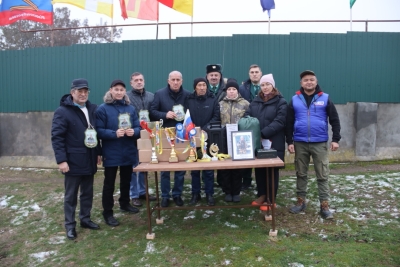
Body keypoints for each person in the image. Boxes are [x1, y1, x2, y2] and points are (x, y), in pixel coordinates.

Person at [51, 78, 102, 240]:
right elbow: (57, 137)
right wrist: (61, 160)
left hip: (89, 158)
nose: (83, 94)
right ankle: (70, 225)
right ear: (72, 92)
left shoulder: (91, 109)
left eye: (85, 91)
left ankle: (85, 219)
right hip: (73, 161)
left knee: (87, 192)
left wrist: (98, 152)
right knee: (71, 195)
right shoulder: (62, 112)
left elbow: (95, 133)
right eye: (79, 91)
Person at [286, 70, 341, 220]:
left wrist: (335, 139)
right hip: (300, 142)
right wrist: (289, 142)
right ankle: (301, 202)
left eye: (311, 80)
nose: (309, 82)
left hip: (320, 143)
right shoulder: (295, 100)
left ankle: (324, 205)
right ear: (301, 83)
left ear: (316, 82)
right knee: (301, 173)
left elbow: (334, 120)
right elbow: (289, 123)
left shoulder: (325, 98)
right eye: (305, 80)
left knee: (322, 175)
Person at [96, 79, 141, 227]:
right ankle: (108, 212)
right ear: (110, 90)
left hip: (128, 151)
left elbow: (138, 128)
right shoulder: (103, 109)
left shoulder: (130, 109)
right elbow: (99, 131)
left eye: (122, 90)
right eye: (116, 89)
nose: (119, 92)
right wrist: (114, 133)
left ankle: (124, 203)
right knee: (109, 183)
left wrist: (133, 131)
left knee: (126, 180)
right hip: (111, 152)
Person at [245, 74, 287, 211]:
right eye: (263, 85)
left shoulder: (280, 102)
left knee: (272, 170)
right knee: (260, 169)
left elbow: (280, 121)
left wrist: (263, 133)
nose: (265, 87)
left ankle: (271, 198)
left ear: (273, 86)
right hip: (258, 142)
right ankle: (262, 195)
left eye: (268, 84)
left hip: (274, 141)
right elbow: (248, 117)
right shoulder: (255, 102)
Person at [149, 71, 190, 207]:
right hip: (165, 135)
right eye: (173, 79)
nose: (175, 82)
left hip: (181, 135)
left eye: (178, 79)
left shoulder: (187, 95)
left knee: (180, 168)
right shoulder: (159, 94)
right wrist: (165, 114)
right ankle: (165, 195)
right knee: (165, 168)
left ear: (182, 81)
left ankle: (177, 194)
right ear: (168, 80)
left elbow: (191, 113)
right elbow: (152, 112)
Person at [184, 77, 220, 206]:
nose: (202, 87)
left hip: (207, 137)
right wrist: (192, 129)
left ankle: (209, 193)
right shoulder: (189, 99)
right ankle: (195, 193)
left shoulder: (212, 99)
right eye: (199, 85)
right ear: (195, 87)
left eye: (204, 85)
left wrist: (205, 129)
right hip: (192, 137)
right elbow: (185, 116)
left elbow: (216, 116)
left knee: (208, 168)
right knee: (194, 168)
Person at [126, 72, 156, 207]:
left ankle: (143, 191)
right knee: (134, 166)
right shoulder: (127, 97)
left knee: (144, 164)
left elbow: (154, 113)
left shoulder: (151, 96)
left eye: (141, 80)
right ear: (131, 83)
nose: (139, 82)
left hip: (148, 135)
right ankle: (134, 194)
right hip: (133, 135)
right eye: (136, 80)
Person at [219, 78, 249, 202]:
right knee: (225, 166)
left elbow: (248, 120)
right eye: (229, 89)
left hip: (239, 139)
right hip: (224, 138)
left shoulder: (245, 104)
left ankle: (236, 191)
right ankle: (227, 191)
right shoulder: (220, 104)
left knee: (237, 167)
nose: (231, 92)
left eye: (234, 89)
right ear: (226, 91)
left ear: (237, 91)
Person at [239, 64, 263, 189]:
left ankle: (261, 183)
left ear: (261, 74)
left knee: (261, 155)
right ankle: (246, 181)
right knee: (246, 153)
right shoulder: (242, 88)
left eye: (256, 72)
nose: (254, 74)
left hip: (263, 125)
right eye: (252, 72)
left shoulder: (266, 87)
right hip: (247, 125)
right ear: (249, 74)